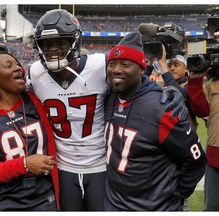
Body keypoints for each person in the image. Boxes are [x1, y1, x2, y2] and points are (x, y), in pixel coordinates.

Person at [28, 9, 188, 211]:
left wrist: (165, 90)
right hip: (63, 166)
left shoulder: (99, 65)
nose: (53, 50)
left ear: (74, 42)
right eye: (47, 44)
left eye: (61, 43)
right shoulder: (34, 72)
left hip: (100, 165)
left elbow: (133, 83)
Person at [103, 32, 207, 211]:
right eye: (112, 64)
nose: (116, 69)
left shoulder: (161, 108)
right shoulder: (107, 98)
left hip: (153, 207)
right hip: (113, 204)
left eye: (125, 64)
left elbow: (195, 161)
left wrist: (174, 196)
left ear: (142, 68)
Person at [0, 52, 59, 211]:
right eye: (9, 66)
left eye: (17, 64)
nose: (18, 68)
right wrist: (24, 165)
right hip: (4, 203)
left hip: (46, 199)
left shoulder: (37, 102)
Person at [187, 66, 219, 211]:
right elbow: (201, 110)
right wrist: (194, 81)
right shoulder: (213, 84)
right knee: (212, 207)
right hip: (216, 154)